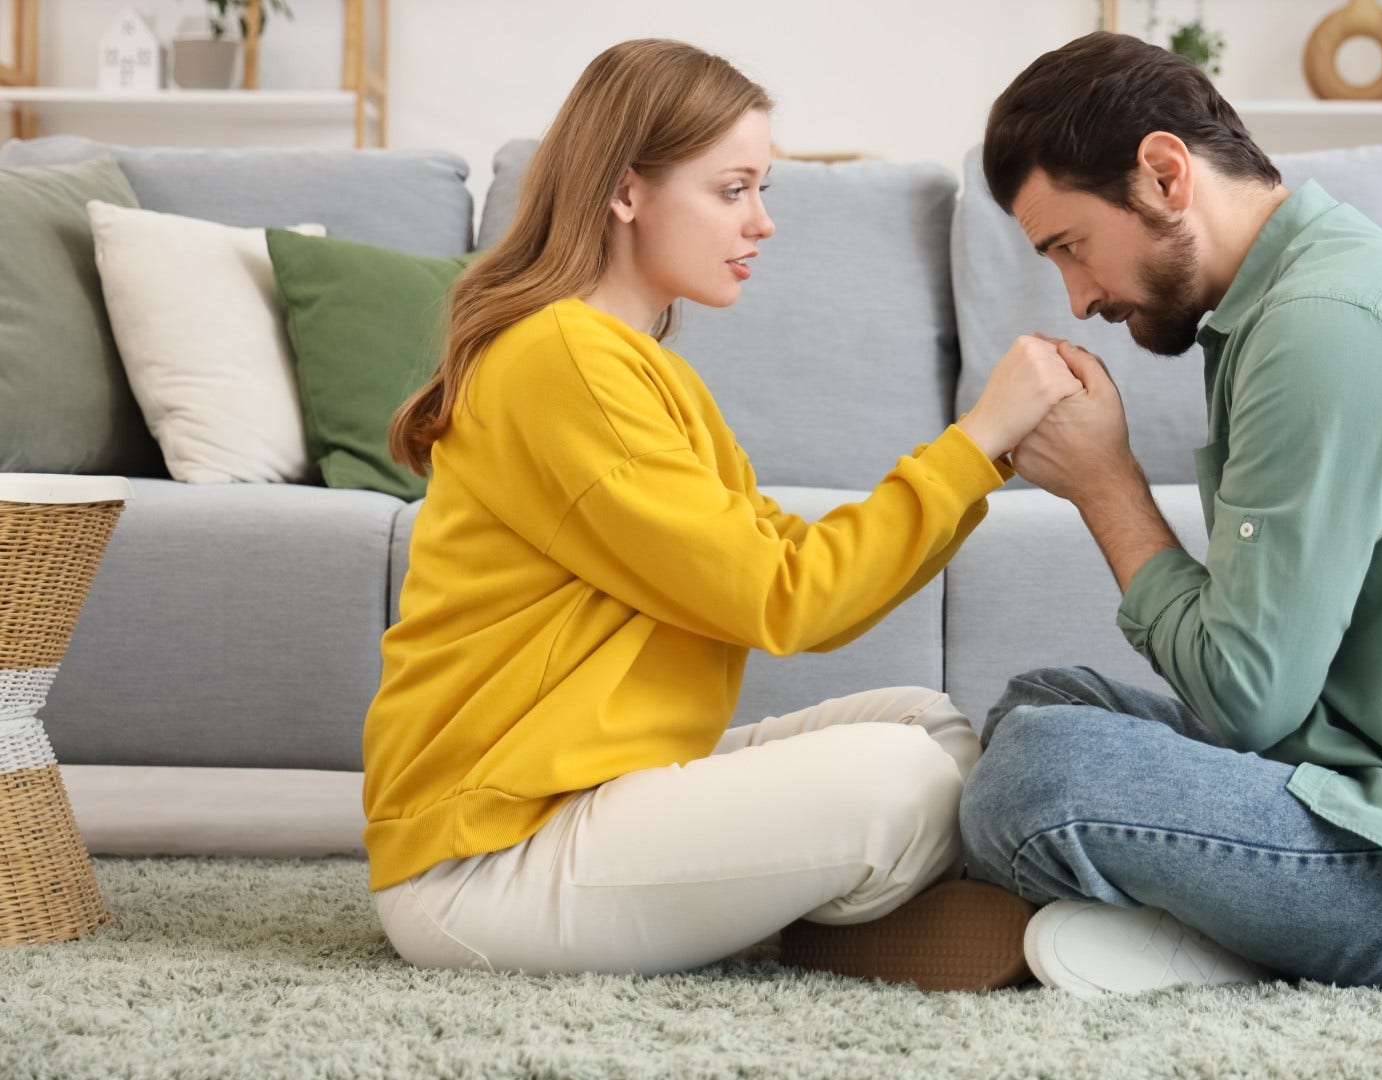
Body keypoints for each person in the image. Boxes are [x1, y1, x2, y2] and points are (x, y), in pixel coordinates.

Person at [361, 39, 1069, 991]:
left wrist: (981, 460)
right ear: (626, 192)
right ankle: (797, 924)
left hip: (599, 793)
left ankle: (758, 912)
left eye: (760, 189)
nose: (764, 223)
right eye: (732, 189)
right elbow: (786, 599)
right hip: (487, 862)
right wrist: (976, 441)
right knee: (907, 781)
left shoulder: (631, 363)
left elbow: (787, 562)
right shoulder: (564, 360)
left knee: (929, 727)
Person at [958, 32, 1382, 996]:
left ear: (1163, 174)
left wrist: (1105, 487)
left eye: (1071, 247)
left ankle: (1198, 943)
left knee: (1038, 773)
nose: (1078, 298)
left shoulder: (1324, 325)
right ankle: (1177, 923)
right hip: (1369, 792)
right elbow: (1265, 694)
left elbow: (1245, 697)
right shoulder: (1288, 299)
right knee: (1043, 701)